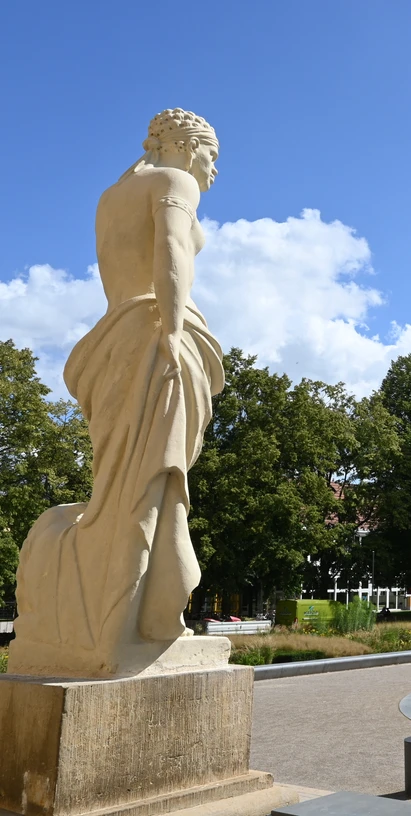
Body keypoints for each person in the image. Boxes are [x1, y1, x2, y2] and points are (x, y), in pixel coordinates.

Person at [11, 109, 225, 674]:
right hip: (157, 339)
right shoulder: (174, 181)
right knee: (154, 478)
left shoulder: (110, 196)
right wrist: (175, 334)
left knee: (123, 483)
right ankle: (138, 619)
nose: (213, 171)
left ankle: (109, 614)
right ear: (184, 145)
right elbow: (172, 252)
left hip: (116, 345)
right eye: (212, 156)